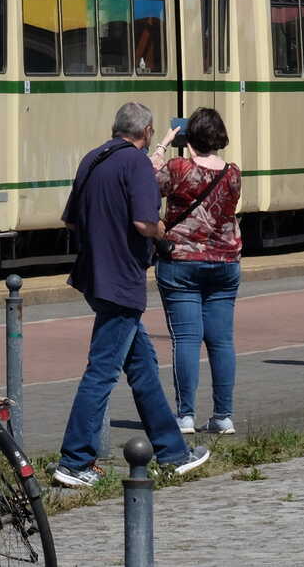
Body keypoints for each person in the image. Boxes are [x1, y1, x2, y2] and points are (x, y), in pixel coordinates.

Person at [52, 102, 210, 488]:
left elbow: (70, 218)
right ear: (149, 131)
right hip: (121, 279)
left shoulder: (93, 158)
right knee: (102, 371)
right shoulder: (136, 163)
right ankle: (74, 460)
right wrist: (162, 234)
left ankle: (173, 452)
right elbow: (143, 221)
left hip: (93, 273)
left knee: (140, 365)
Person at [147, 107, 242, 436]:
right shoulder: (233, 173)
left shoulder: (177, 167)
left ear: (189, 138)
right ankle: (223, 416)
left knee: (186, 339)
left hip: (182, 263)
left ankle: (185, 416)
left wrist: (162, 145)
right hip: (225, 263)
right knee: (221, 341)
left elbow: (144, 181)